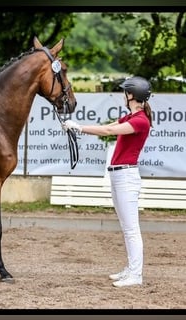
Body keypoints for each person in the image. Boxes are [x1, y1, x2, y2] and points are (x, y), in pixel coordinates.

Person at [63, 76, 153, 287]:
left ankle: (136, 275)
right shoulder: (131, 117)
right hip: (119, 175)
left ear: (131, 95)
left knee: (131, 229)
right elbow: (109, 126)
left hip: (126, 177)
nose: (124, 95)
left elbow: (108, 131)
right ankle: (131, 269)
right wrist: (76, 127)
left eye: (126, 92)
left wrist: (78, 127)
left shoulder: (140, 121)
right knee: (126, 227)